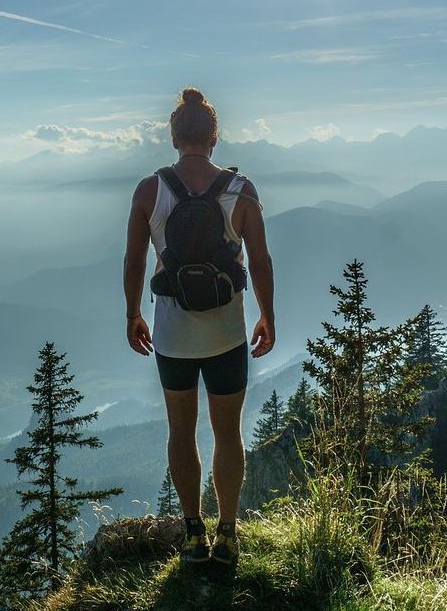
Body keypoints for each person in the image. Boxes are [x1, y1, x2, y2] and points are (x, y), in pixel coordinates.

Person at [123, 88, 275, 566]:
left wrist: (133, 314)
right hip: (227, 333)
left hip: (173, 335)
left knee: (181, 430)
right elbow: (260, 259)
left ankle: (193, 535)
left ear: (173, 137)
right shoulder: (241, 190)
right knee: (228, 433)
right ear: (214, 136)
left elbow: (134, 258)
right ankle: (228, 534)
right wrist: (268, 314)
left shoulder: (151, 190)